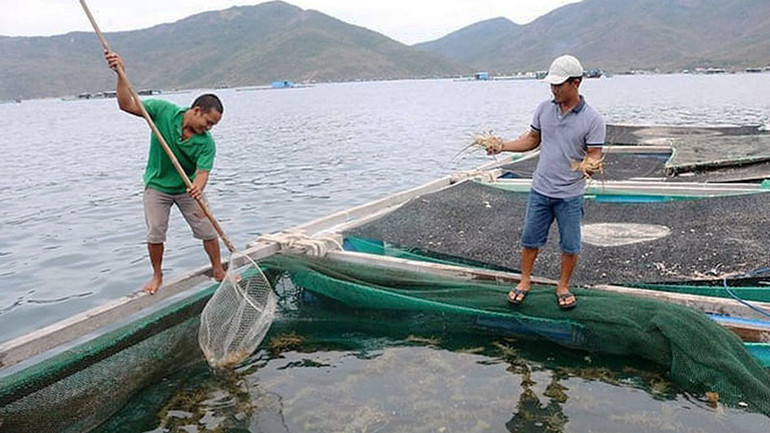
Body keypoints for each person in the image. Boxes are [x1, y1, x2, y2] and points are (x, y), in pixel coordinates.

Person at [487, 54, 605, 309]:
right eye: (551, 85)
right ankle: (524, 280)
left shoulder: (593, 119)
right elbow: (532, 140)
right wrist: (502, 145)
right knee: (530, 240)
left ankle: (562, 285)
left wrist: (591, 166)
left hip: (570, 194)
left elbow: (594, 154)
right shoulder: (544, 109)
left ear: (576, 83)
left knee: (570, 244)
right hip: (541, 189)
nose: (554, 90)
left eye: (559, 85)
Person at [105, 50, 228, 295]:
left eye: (214, 125)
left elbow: (203, 172)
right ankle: (157, 274)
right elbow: (126, 105)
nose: (209, 128)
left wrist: (197, 187)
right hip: (157, 187)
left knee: (207, 228)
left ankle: (217, 268)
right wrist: (121, 74)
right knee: (156, 231)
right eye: (209, 121)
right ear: (196, 110)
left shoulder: (206, 143)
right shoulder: (163, 111)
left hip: (187, 190)